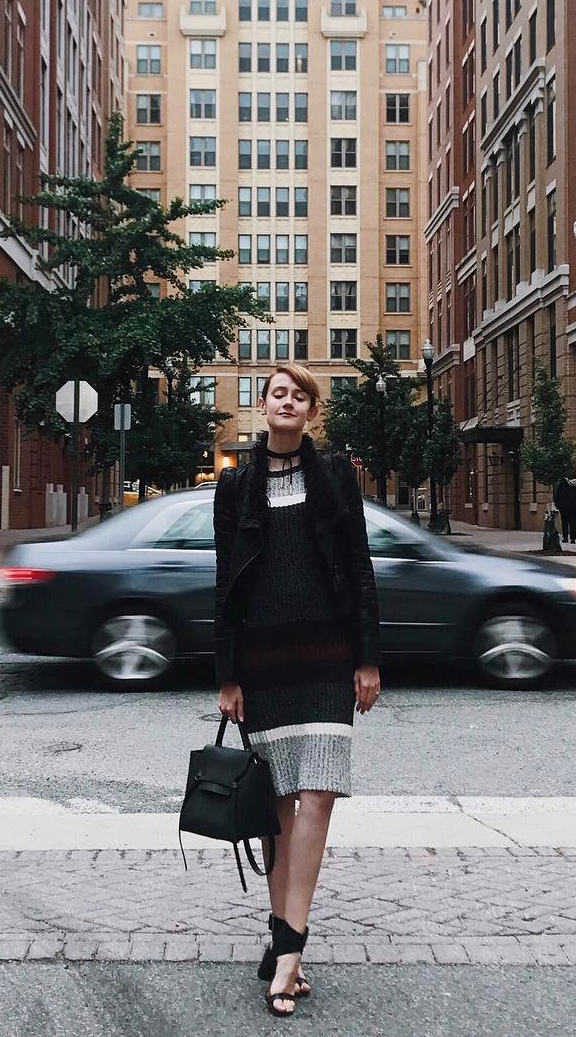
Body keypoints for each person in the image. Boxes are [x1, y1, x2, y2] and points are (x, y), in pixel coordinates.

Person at [214, 365, 381, 1017]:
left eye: (300, 395)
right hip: (264, 663)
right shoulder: (234, 485)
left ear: (312, 410)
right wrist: (226, 675)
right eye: (278, 393)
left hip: (327, 661)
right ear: (263, 406)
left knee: (318, 798)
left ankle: (289, 950)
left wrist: (368, 661)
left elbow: (359, 568)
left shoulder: (335, 476)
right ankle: (285, 942)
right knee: (280, 807)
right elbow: (226, 581)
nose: (288, 402)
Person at [553, 472, 576, 544]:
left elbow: (557, 495)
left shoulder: (563, 483)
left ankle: (565, 537)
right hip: (575, 507)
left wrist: (557, 503)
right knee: (574, 522)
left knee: (565, 522)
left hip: (564, 507)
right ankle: (573, 538)